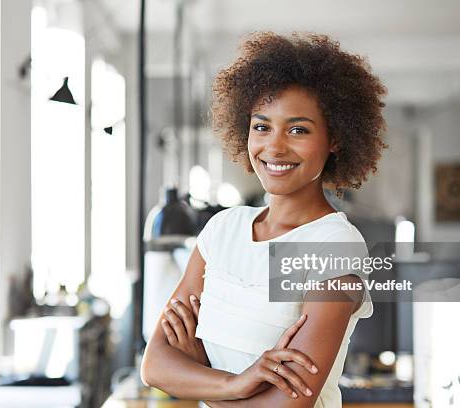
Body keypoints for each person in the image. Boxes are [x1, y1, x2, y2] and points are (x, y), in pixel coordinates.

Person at [140, 31, 387, 407]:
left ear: (334, 139)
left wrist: (199, 374)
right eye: (262, 126)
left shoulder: (334, 246)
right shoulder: (223, 230)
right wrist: (236, 384)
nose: (274, 146)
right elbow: (154, 366)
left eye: (298, 129)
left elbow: (287, 405)